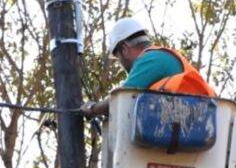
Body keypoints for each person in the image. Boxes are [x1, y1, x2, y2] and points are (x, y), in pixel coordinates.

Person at [80, 17, 215, 117]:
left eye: (118, 58)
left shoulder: (150, 59)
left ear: (124, 49)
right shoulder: (161, 57)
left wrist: (93, 108)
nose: (121, 65)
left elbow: (122, 97)